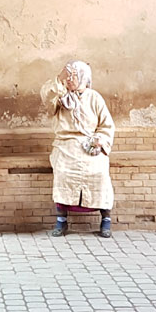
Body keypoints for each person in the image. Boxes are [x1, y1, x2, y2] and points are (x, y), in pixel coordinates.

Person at [41, 60, 115, 238]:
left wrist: (99, 140)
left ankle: (105, 219)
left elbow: (106, 126)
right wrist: (60, 79)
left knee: (100, 173)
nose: (71, 79)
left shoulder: (94, 97)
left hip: (90, 144)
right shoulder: (59, 97)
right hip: (66, 145)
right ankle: (61, 220)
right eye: (69, 75)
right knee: (63, 172)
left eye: (75, 75)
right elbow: (47, 98)